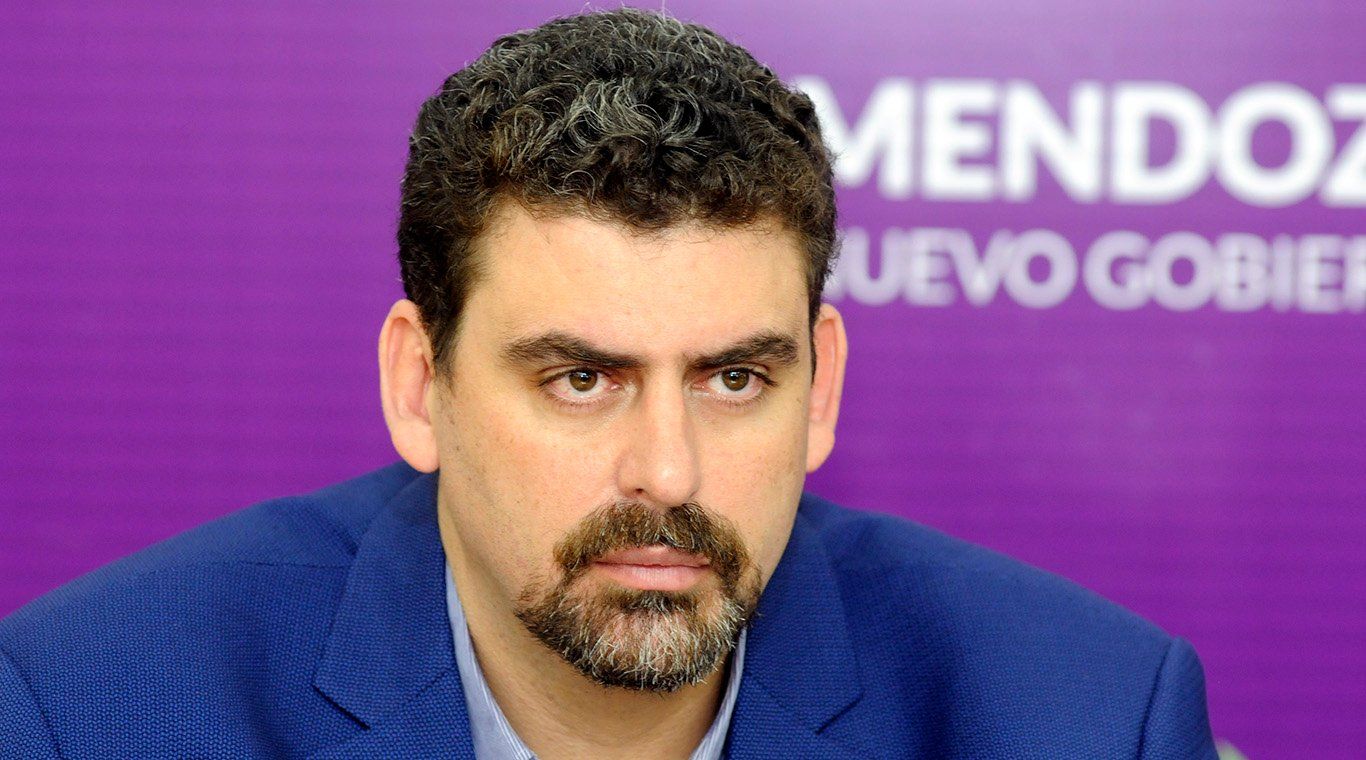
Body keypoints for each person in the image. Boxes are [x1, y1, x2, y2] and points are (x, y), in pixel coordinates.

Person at [0, 8, 1218, 759]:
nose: (668, 473)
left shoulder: (1083, 718)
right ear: (421, 384)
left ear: (821, 389)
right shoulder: (88, 710)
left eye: (734, 377)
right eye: (581, 378)